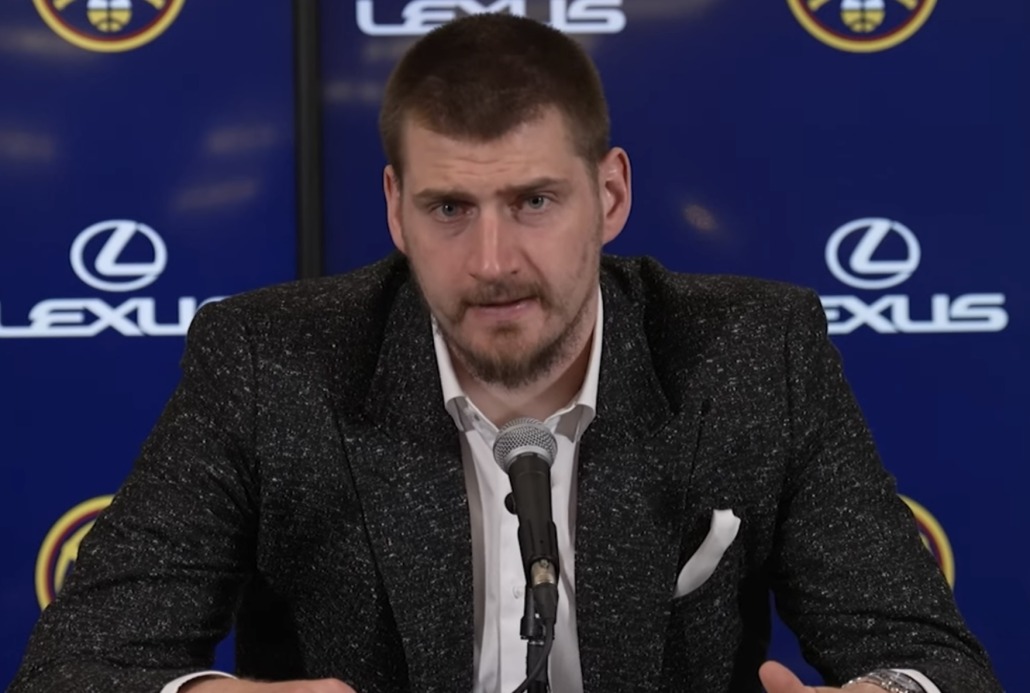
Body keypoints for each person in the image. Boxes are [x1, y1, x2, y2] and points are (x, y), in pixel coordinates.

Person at [9, 12, 1000, 693]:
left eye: (533, 201)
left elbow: (931, 659)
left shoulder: (752, 351)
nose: (491, 261)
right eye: (449, 207)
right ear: (396, 209)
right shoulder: (269, 362)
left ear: (609, 195)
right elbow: (76, 666)